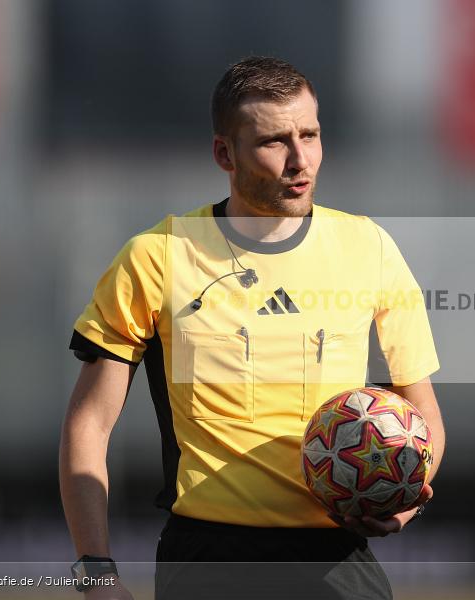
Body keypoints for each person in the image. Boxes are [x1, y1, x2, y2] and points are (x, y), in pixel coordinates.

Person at [59, 56, 444, 600]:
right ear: (225, 154)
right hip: (207, 559)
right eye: (273, 142)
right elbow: (88, 427)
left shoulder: (370, 248)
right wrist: (94, 570)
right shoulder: (156, 257)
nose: (299, 159)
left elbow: (422, 414)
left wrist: (406, 497)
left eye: (309, 135)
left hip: (338, 557)